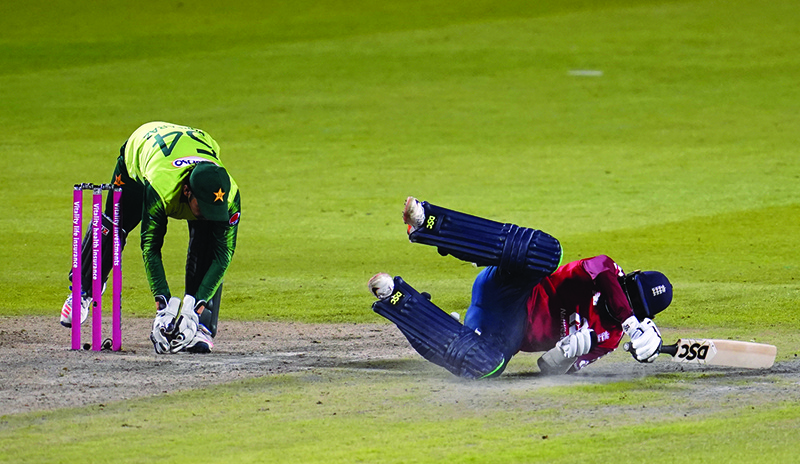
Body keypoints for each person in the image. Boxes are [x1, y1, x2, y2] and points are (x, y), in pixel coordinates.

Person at [368, 197, 671, 379]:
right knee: (547, 251)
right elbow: (604, 272)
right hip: (513, 288)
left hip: (505, 330)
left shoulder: (610, 338)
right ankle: (432, 222)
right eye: (628, 289)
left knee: (486, 366)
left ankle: (400, 302)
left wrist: (564, 356)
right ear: (628, 276)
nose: (624, 300)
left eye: (634, 304)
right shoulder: (606, 272)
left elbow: (548, 370)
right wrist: (631, 322)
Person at [60, 122, 241, 354]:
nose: (209, 214)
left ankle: (199, 326)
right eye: (203, 206)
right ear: (187, 192)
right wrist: (162, 301)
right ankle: (83, 290)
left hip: (194, 148)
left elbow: (223, 254)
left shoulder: (230, 194)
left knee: (209, 242)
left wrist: (196, 303)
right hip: (142, 152)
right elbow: (150, 246)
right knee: (115, 224)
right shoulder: (162, 186)